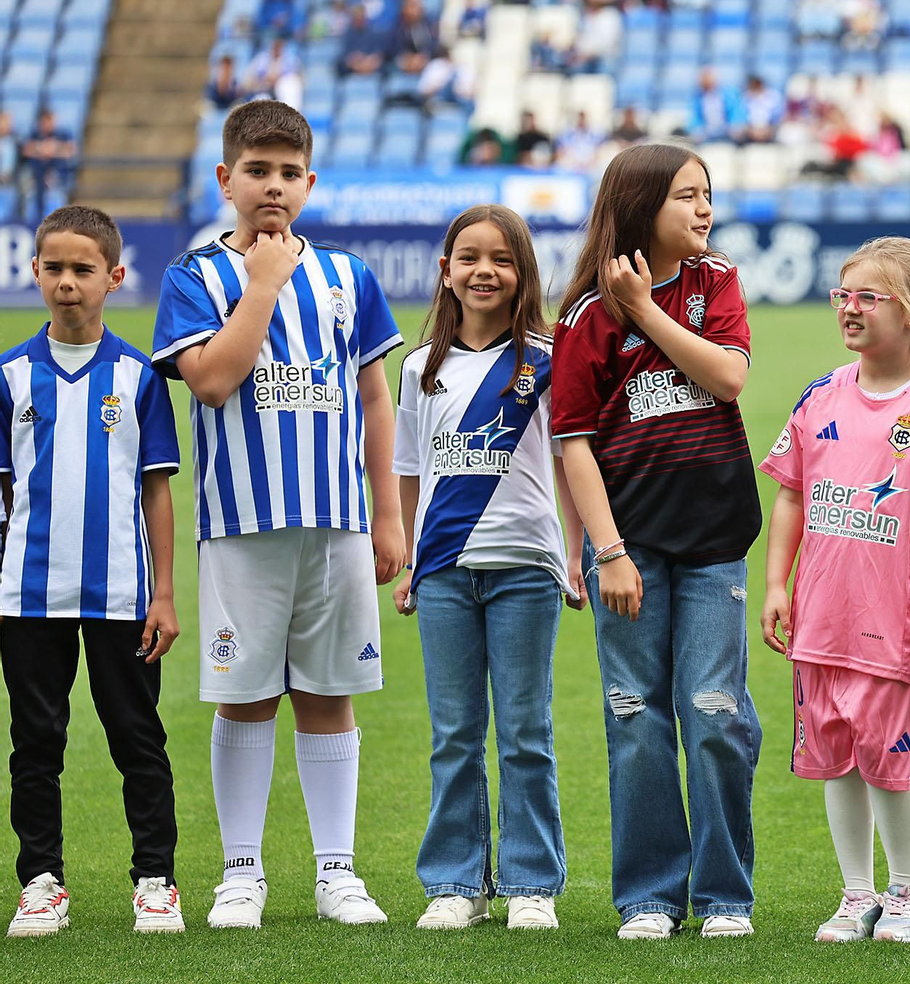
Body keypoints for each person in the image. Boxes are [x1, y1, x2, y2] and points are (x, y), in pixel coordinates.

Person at [151, 100, 406, 929]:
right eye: (256, 171)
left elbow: (374, 395)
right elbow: (214, 380)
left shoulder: (347, 276)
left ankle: (337, 870)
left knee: (331, 693)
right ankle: (242, 872)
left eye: (288, 172)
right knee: (246, 694)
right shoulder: (195, 277)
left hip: (336, 522)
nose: (273, 186)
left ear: (310, 182)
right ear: (226, 180)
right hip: (240, 522)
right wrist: (261, 284)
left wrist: (389, 514)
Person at [550, 143, 762, 941]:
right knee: (636, 716)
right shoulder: (583, 317)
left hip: (714, 539)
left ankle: (724, 897)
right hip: (629, 549)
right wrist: (607, 552)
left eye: (708, 194)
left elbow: (729, 378)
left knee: (712, 713)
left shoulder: (719, 284)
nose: (705, 209)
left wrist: (645, 310)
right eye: (687, 196)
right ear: (641, 206)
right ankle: (648, 895)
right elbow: (573, 441)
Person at [759, 238, 910, 944]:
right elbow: (793, 495)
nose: (850, 308)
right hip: (820, 619)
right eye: (843, 294)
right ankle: (856, 890)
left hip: (892, 623)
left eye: (868, 296)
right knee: (835, 757)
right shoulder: (821, 394)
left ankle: (908, 892)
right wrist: (776, 581)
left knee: (887, 762)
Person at [391, 205, 585, 931]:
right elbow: (410, 468)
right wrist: (411, 557)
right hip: (443, 572)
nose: (484, 270)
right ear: (445, 270)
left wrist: (573, 550)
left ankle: (531, 881)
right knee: (454, 732)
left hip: (527, 567)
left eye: (501, 259)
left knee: (526, 729)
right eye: (468, 256)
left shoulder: (547, 357)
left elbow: (570, 458)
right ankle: (455, 881)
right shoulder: (420, 367)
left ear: (522, 274)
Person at [1, 206, 183, 938]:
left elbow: (156, 487)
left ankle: (156, 879)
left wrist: (165, 593)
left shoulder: (138, 376)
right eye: (54, 268)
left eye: (83, 270)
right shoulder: (9, 374)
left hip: (121, 593)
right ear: (34, 271)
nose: (67, 283)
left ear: (114, 276)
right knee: (34, 743)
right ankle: (41, 880)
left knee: (138, 738)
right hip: (28, 594)